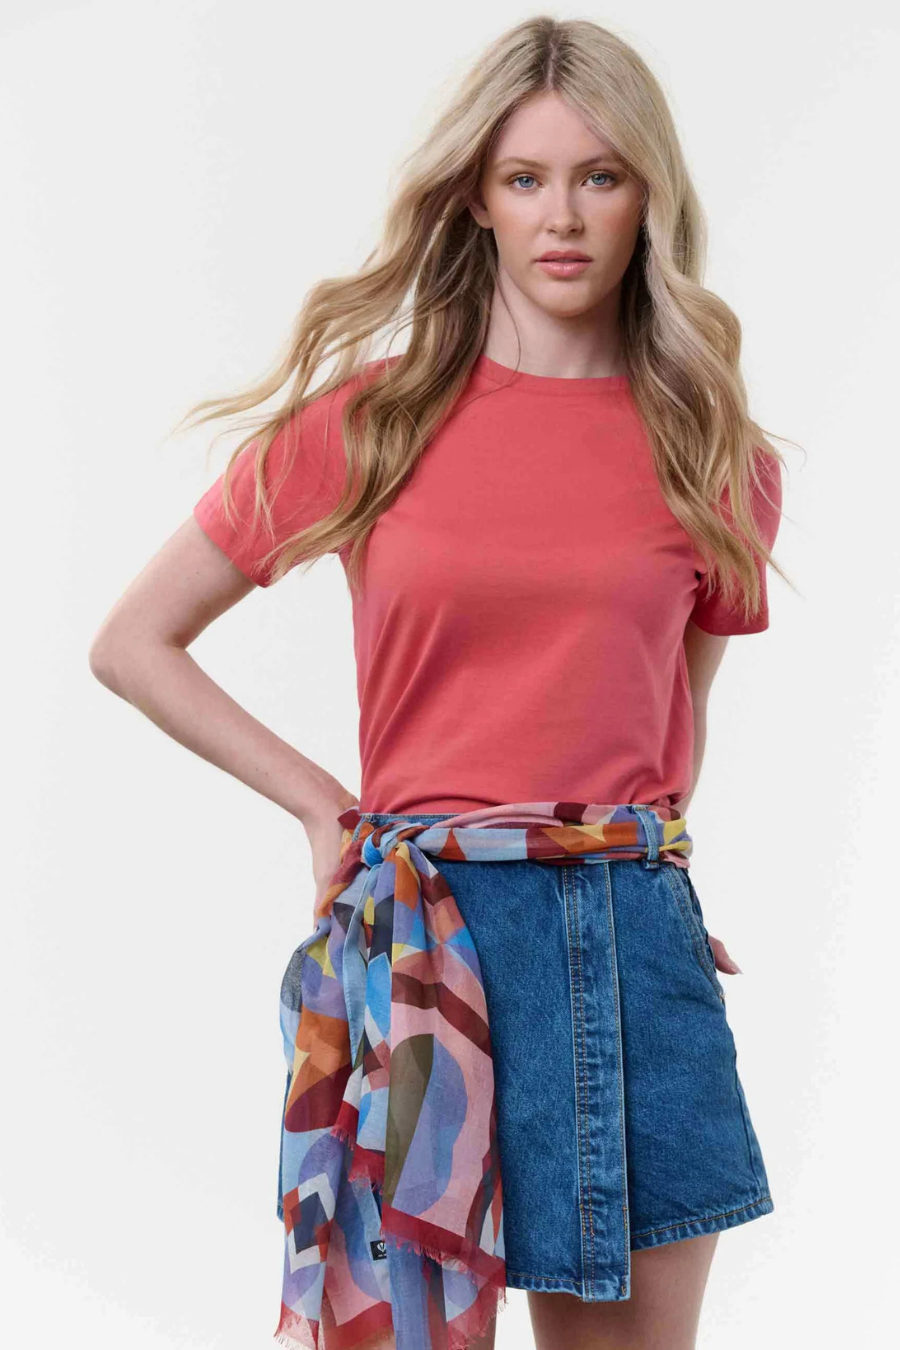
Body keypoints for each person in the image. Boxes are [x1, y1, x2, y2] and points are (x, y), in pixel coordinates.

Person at [89, 16, 793, 1350]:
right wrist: (320, 803)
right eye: (527, 178)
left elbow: (677, 712)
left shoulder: (717, 456)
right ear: (475, 196)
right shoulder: (372, 424)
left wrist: (648, 871)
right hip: (427, 942)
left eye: (601, 176)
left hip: (632, 944)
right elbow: (134, 641)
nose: (563, 216)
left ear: (649, 197)